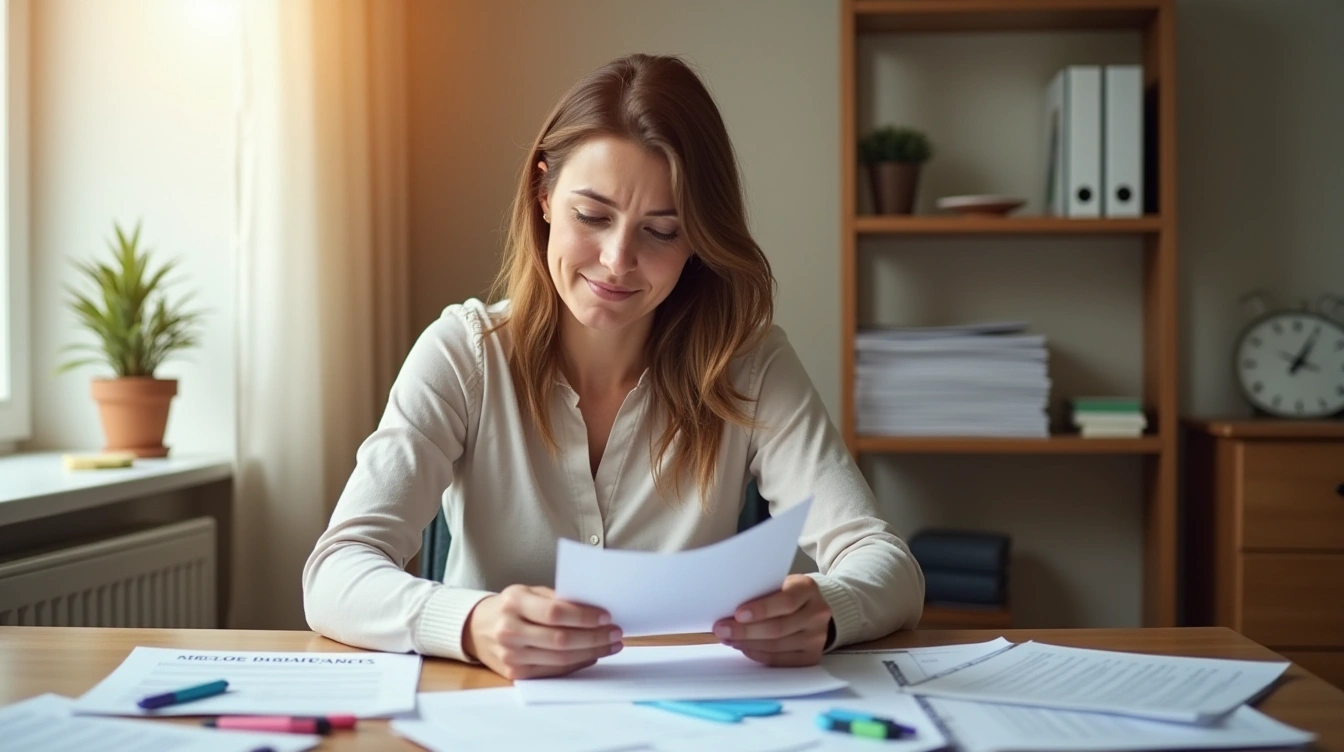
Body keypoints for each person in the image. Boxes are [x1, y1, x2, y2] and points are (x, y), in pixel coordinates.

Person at [303, 53, 924, 680]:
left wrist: (829, 607)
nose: (617, 259)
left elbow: (887, 564)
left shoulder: (750, 364)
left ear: (700, 240)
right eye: (592, 216)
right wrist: (472, 623)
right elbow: (336, 571)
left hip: (694, 719)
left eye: (662, 231)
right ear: (543, 194)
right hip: (490, 717)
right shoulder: (464, 353)